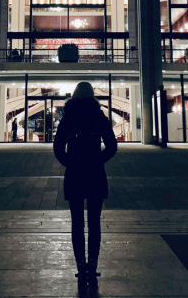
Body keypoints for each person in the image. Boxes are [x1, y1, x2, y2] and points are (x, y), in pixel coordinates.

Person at [53, 82, 117, 286]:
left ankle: (80, 265)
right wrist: (98, 159)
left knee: (77, 222)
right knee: (94, 222)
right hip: (95, 173)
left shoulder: (69, 117)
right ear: (92, 96)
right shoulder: (98, 116)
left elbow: (58, 147)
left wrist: (69, 162)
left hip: (75, 174)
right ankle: (93, 265)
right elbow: (112, 146)